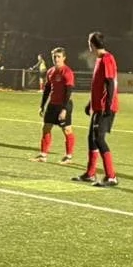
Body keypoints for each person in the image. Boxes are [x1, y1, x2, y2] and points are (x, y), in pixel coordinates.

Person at [74, 32, 120, 187]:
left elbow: (110, 84)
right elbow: (99, 86)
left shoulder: (107, 59)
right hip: (98, 107)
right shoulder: (100, 60)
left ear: (91, 44)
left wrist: (107, 106)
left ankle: (111, 176)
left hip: (105, 107)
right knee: (91, 139)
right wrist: (90, 103)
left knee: (99, 139)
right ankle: (90, 173)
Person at [34, 47, 76, 163]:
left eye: (58, 57)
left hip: (64, 105)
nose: (56, 59)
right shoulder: (50, 71)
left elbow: (68, 91)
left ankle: (69, 156)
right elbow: (47, 89)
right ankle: (43, 155)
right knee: (46, 128)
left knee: (67, 130)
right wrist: (42, 105)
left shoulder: (67, 72)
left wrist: (64, 109)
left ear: (64, 58)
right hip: (52, 104)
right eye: (54, 57)